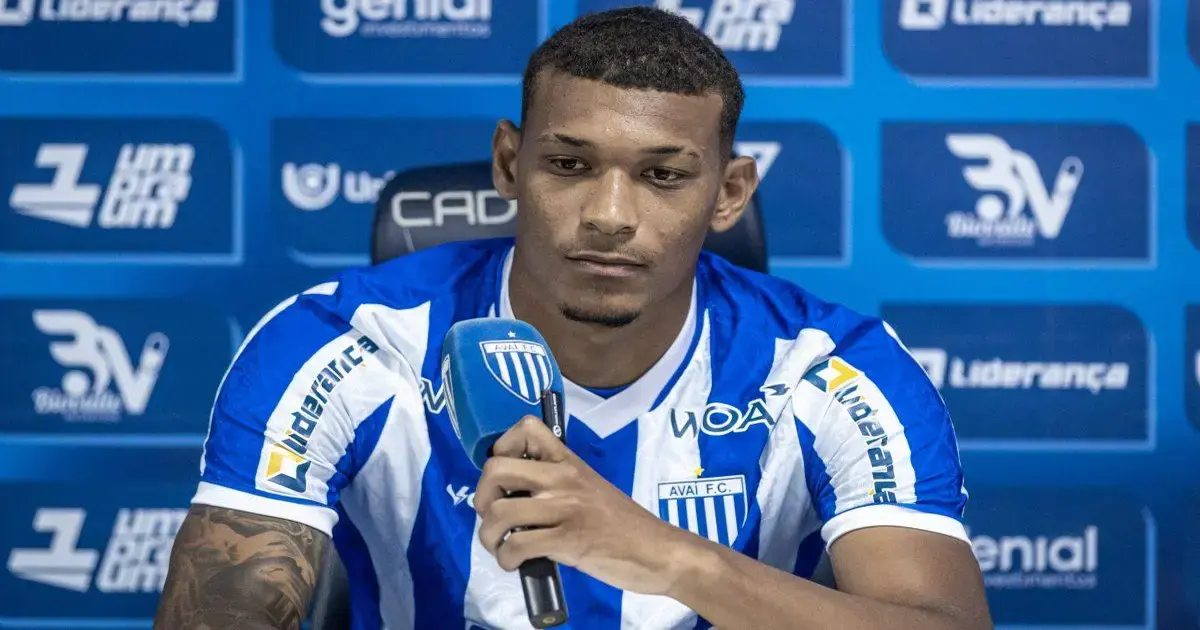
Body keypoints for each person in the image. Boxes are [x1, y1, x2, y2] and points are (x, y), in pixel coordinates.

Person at [153, 6, 991, 630]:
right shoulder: (343, 346)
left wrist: (667, 556)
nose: (610, 215)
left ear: (728, 193)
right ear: (510, 163)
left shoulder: (832, 368)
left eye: (663, 176)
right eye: (569, 164)